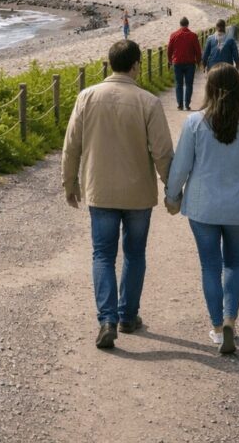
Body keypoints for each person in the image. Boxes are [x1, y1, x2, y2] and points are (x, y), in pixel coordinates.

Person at [63, 40, 174, 350]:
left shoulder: (87, 96)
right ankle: (127, 316)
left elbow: (72, 144)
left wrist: (69, 183)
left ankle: (107, 319)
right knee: (135, 254)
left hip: (100, 190)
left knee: (102, 255)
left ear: (110, 63)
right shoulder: (148, 102)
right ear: (136, 65)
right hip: (138, 192)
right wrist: (172, 190)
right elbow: (163, 152)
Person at [164, 64, 239, 355]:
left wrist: (172, 196)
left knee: (210, 266)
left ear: (208, 88)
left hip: (203, 206)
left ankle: (216, 326)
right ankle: (230, 319)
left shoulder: (195, 123)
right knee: (234, 264)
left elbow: (181, 165)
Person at [167, 17, 202, 111]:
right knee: (189, 84)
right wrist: (199, 62)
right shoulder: (193, 35)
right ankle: (187, 104)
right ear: (188, 24)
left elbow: (169, 49)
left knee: (179, 84)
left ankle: (180, 104)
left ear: (180, 24)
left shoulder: (173, 35)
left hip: (177, 62)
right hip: (190, 63)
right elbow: (198, 50)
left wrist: (169, 60)